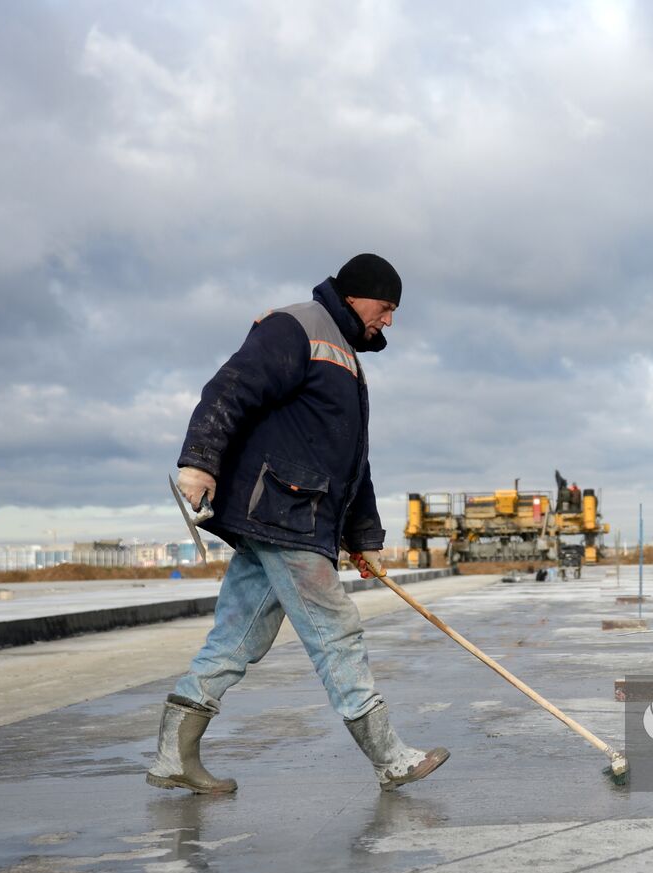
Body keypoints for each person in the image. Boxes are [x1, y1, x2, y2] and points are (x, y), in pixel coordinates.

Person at [147, 253, 449, 795]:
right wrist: (198, 462)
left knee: (235, 641)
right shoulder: (298, 326)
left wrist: (364, 540)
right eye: (386, 307)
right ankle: (390, 758)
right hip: (285, 516)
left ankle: (174, 757)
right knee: (338, 633)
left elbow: (352, 463)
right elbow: (230, 388)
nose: (389, 321)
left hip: (286, 519)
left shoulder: (347, 361)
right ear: (356, 295)